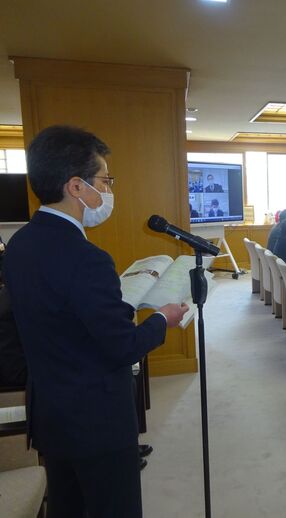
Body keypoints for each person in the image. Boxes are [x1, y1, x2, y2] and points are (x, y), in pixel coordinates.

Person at [2, 125, 189, 518]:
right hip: (97, 421)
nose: (108, 190)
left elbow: (53, 319)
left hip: (52, 414)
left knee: (67, 507)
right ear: (76, 186)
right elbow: (123, 348)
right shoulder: (87, 258)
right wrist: (162, 318)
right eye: (105, 180)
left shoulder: (19, 245)